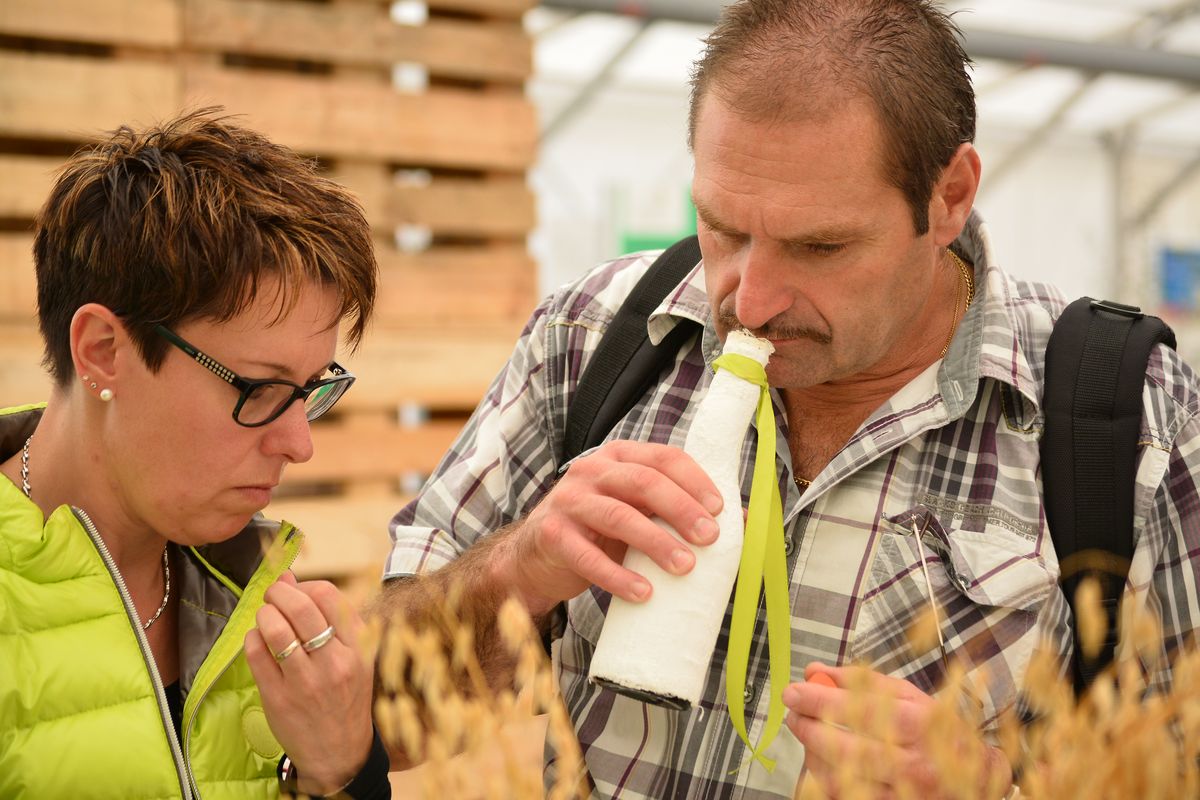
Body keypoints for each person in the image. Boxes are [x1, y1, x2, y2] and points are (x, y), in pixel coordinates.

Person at [376, 1, 1200, 797]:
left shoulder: (1129, 421)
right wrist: (514, 572)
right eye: (723, 227)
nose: (753, 298)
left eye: (821, 245)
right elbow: (375, 718)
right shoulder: (594, 335)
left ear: (950, 196)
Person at [0, 109, 391, 798]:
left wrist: (338, 773)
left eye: (309, 390)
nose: (299, 444)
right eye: (261, 389)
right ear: (103, 352)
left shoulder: (257, 597)